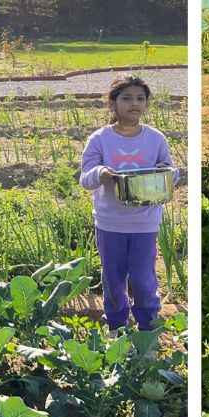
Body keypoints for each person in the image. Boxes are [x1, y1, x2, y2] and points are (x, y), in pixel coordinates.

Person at [80, 76, 176, 333]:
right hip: (111, 223)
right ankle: (116, 325)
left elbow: (170, 171)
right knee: (113, 278)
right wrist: (100, 173)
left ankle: (148, 327)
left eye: (140, 99)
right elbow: (85, 178)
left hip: (145, 222)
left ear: (146, 104)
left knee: (144, 279)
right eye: (126, 98)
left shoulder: (155, 139)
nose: (134, 104)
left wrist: (163, 173)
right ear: (112, 103)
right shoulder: (100, 139)